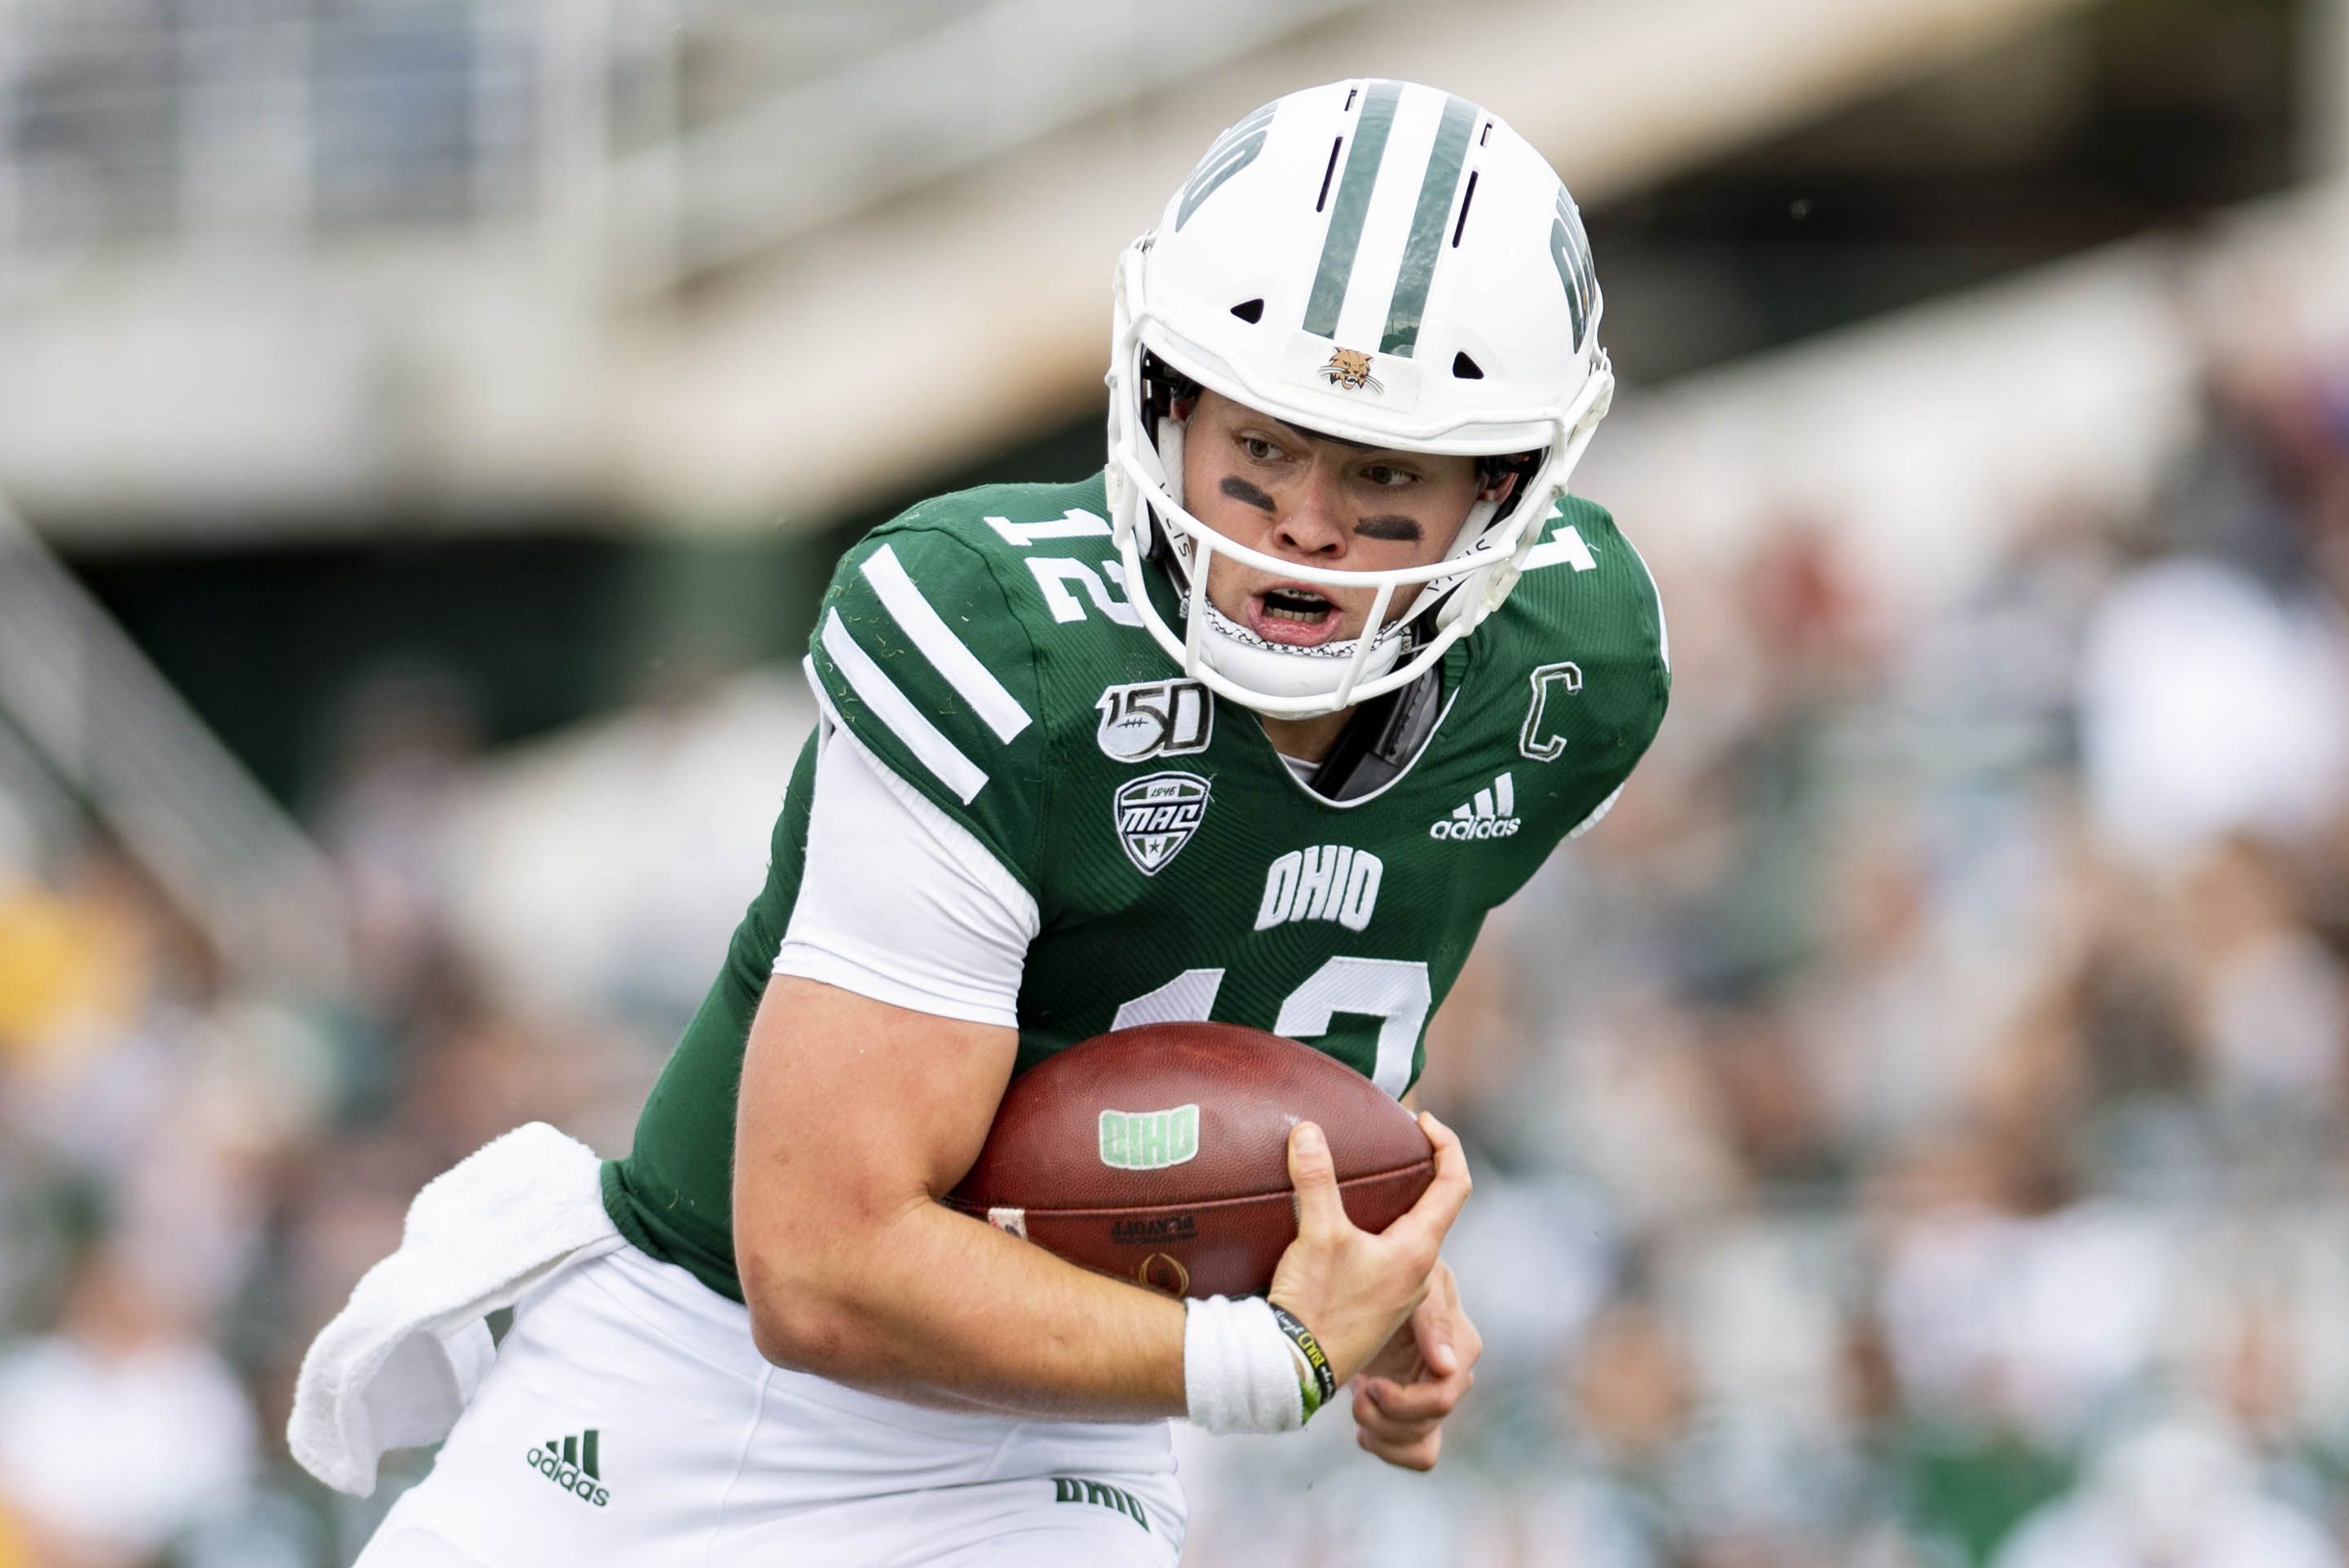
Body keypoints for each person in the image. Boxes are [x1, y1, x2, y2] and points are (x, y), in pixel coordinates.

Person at [333, 77, 1667, 1567]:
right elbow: (822, 1267)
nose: (1302, 523)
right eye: (1265, 446)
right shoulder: (1000, 636)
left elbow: (1315, 942)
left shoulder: (1577, 670)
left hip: (1058, 1428)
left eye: (1382, 475)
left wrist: (1353, 1245)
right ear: (1164, 396)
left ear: (1507, 492)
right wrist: (1265, 1353)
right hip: (698, 1372)